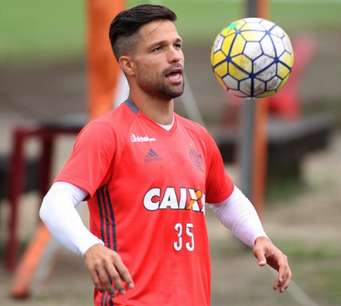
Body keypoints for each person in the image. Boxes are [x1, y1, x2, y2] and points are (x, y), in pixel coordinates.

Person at [39, 4, 291, 306]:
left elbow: (226, 198)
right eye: (158, 49)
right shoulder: (106, 133)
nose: (175, 56)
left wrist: (258, 236)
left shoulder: (197, 136)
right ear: (128, 65)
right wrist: (89, 246)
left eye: (177, 45)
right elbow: (54, 204)